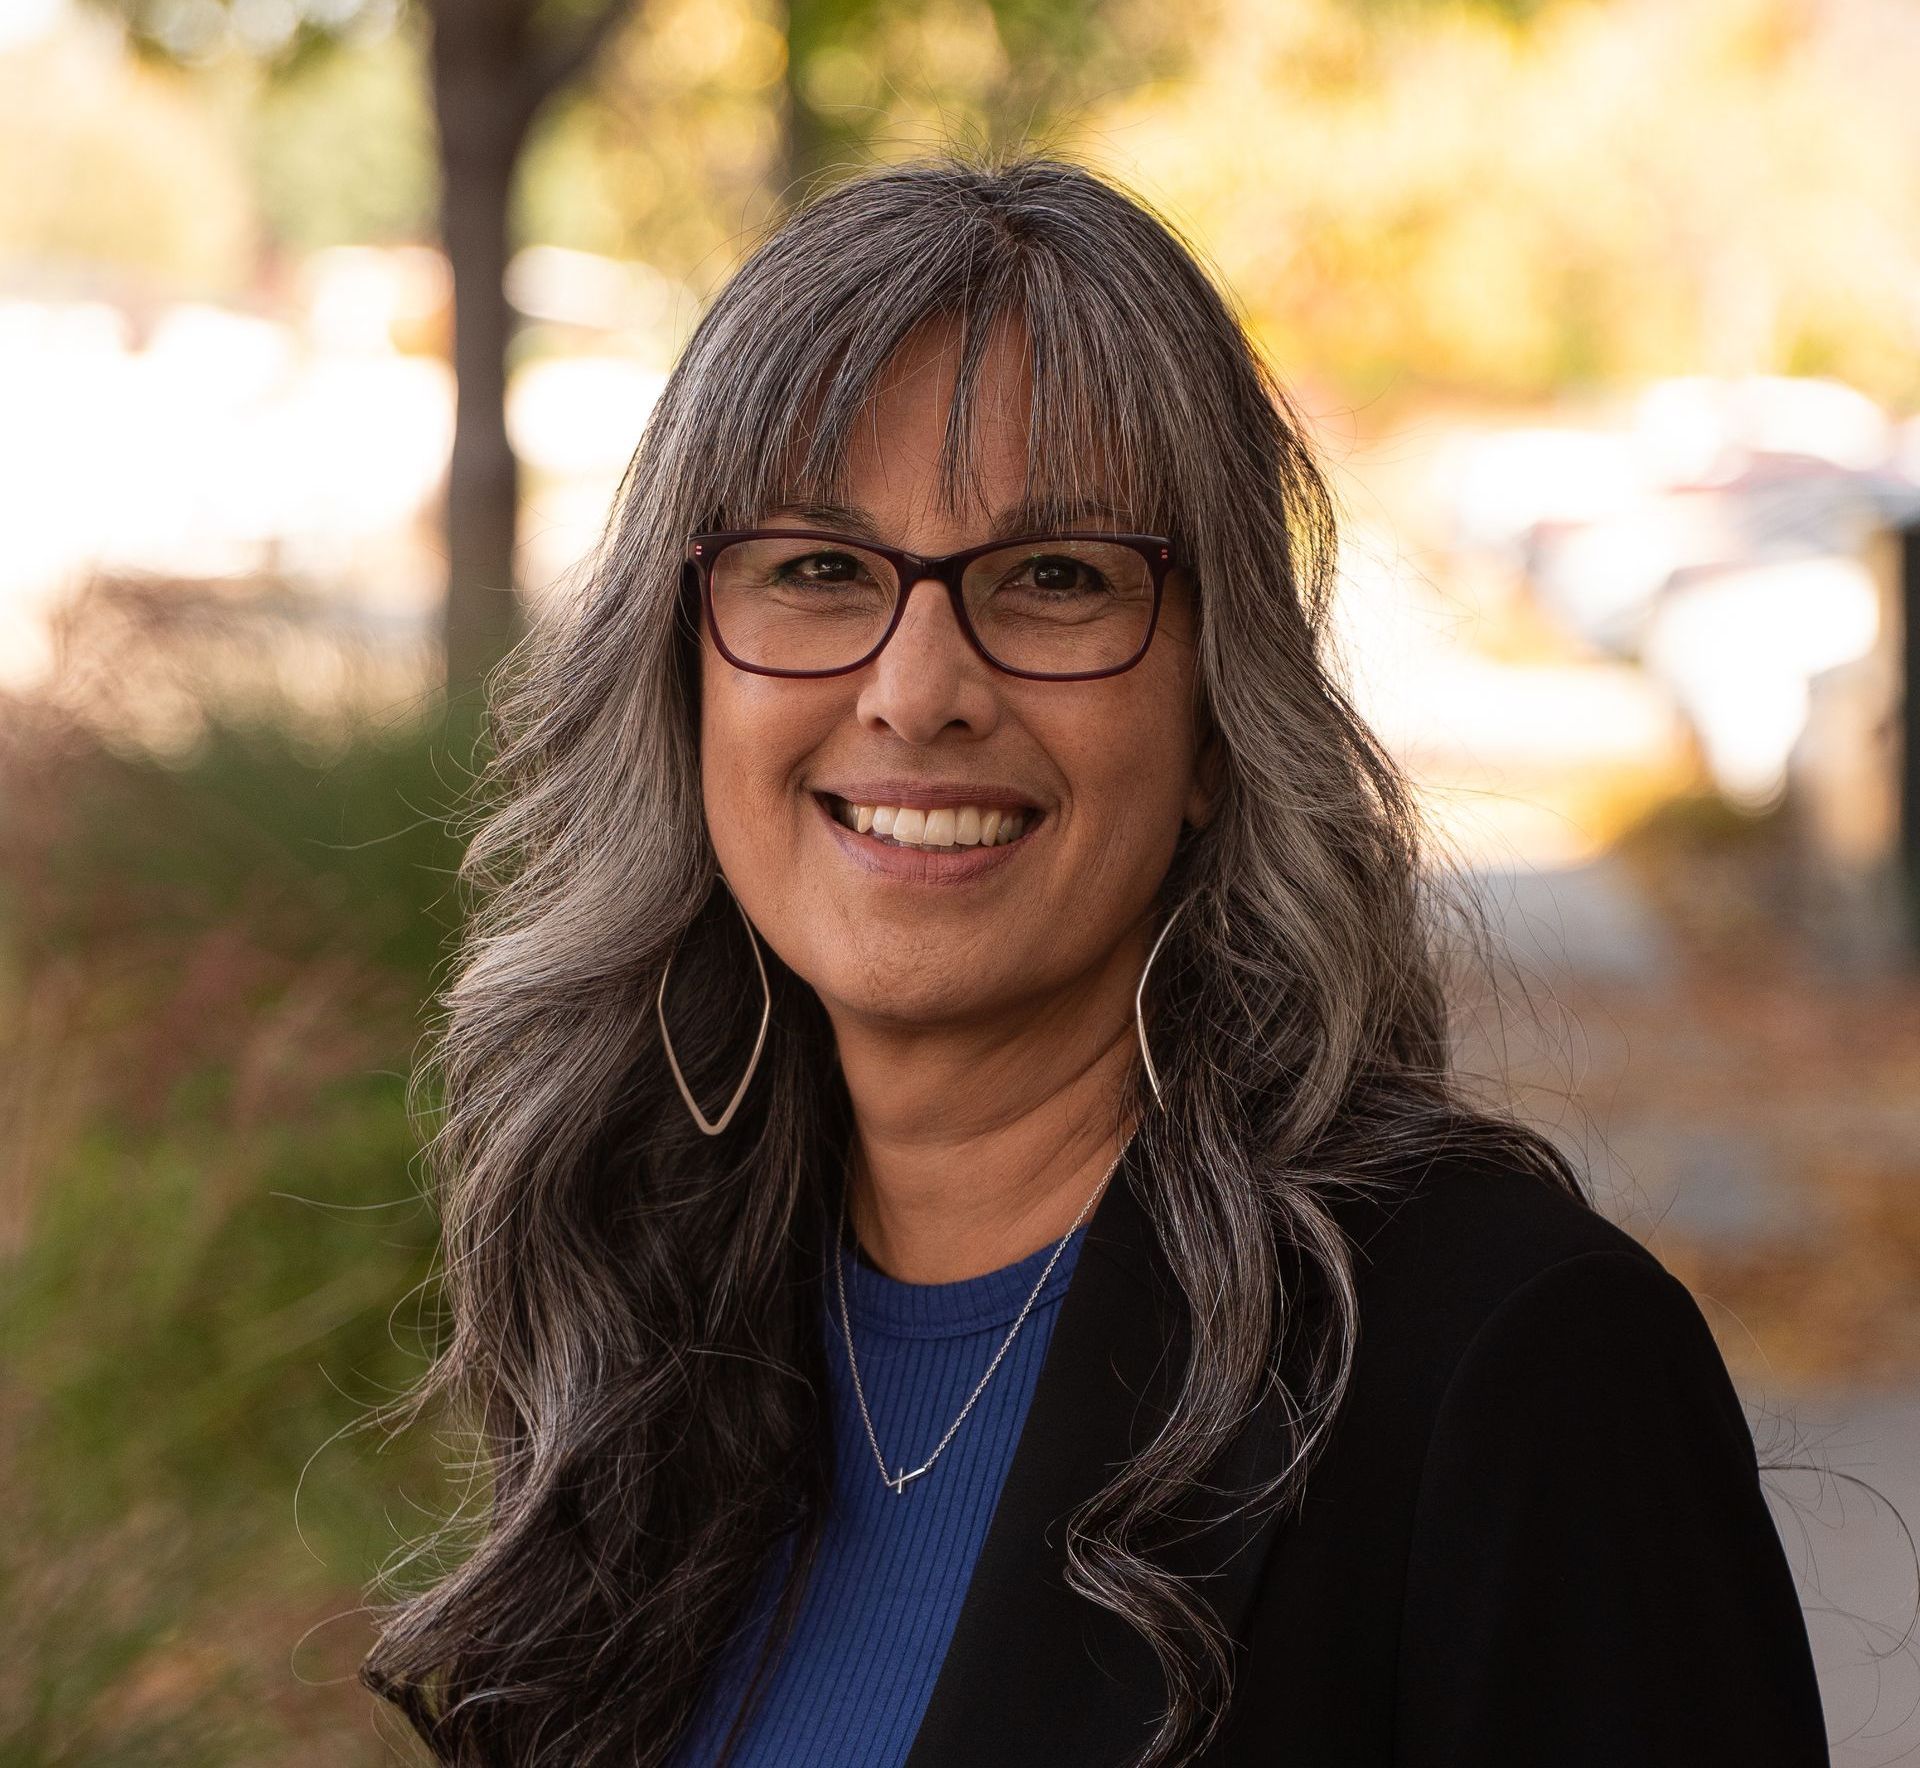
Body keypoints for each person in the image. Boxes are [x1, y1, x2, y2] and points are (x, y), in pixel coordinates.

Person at [359, 152, 1830, 1767]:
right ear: (685, 676)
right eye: (818, 568)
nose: (919, 689)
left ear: (1217, 716)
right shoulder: (640, 1311)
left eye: (1057, 579)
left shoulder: (1507, 1364)